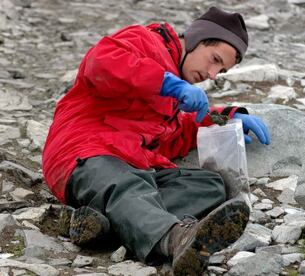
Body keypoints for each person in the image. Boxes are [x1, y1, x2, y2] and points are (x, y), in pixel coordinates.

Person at [42, 6, 270, 275]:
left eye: (220, 71)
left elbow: (176, 134)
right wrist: (166, 82)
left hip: (132, 166)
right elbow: (100, 63)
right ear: (199, 39)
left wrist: (225, 118)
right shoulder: (145, 41)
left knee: (212, 186)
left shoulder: (177, 96)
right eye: (214, 59)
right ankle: (175, 239)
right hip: (84, 153)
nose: (211, 74)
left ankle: (102, 226)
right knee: (126, 184)